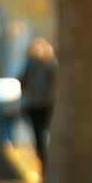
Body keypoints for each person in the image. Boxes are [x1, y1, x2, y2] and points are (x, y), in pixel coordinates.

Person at [18, 37, 58, 168]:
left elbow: (22, 81)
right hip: (47, 104)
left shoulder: (30, 63)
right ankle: (47, 160)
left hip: (34, 104)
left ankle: (43, 160)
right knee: (46, 132)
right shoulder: (52, 63)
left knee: (38, 134)